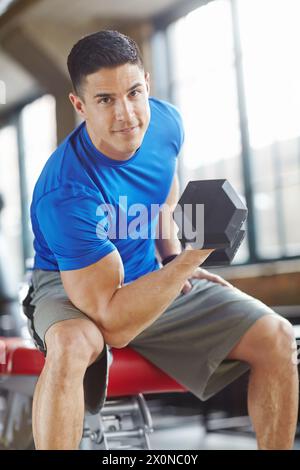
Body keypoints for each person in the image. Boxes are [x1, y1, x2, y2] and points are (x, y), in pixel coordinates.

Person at [23, 30, 298, 450]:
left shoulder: (165, 122)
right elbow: (112, 321)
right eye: (105, 100)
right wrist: (189, 260)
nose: (127, 114)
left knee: (277, 336)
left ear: (147, 84)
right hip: (71, 282)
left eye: (134, 92)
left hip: (146, 272)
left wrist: (169, 254)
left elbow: (164, 181)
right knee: (75, 342)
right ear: (79, 106)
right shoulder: (65, 190)